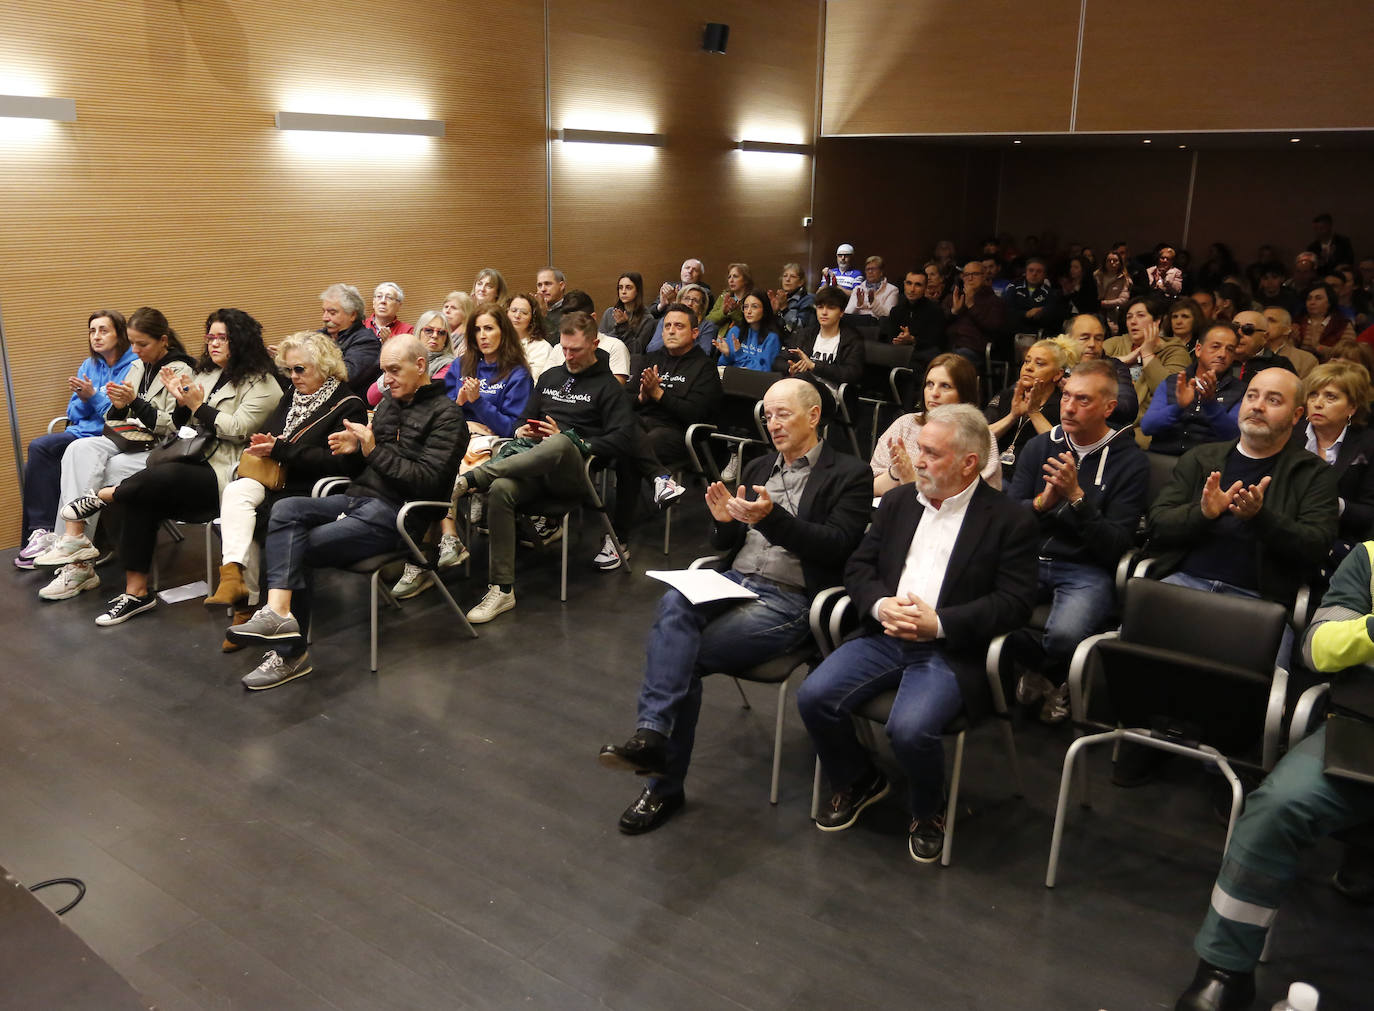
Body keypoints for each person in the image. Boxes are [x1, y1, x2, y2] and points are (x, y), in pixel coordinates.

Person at [597, 378, 871, 834]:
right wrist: (724, 523)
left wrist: (774, 518)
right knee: (674, 600)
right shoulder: (760, 465)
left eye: (783, 413)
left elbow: (838, 548)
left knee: (681, 658)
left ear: (814, 416)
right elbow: (726, 541)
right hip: (733, 580)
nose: (773, 423)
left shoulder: (849, 474)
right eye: (768, 415)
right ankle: (652, 739)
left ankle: (661, 775)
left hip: (792, 598)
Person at [798, 403, 1037, 862]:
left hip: (950, 651)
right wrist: (880, 602)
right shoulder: (897, 502)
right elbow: (860, 565)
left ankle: (927, 810)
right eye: (919, 450)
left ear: (970, 462)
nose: (918, 460)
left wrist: (942, 624)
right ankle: (861, 779)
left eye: (931, 453)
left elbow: (1015, 604)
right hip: (884, 635)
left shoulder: (1010, 520)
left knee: (909, 729)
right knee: (814, 697)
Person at [1173, 545, 1374, 1011]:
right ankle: (1224, 969)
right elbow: (1318, 649)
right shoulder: (1368, 559)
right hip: (1363, 734)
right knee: (1277, 806)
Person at [226, 334, 466, 688]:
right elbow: (364, 468)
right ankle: (277, 612)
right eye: (384, 371)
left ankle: (291, 656)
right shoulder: (388, 405)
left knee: (297, 547)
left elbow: (427, 484)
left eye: (395, 370)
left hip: (399, 515)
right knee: (287, 509)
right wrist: (354, 449)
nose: (388, 379)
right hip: (359, 499)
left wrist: (370, 449)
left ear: (421, 366)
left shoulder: (449, 417)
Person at [67, 308, 283, 627]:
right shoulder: (206, 375)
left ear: (242, 341)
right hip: (192, 459)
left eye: (222, 337)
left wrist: (196, 404)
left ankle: (105, 495)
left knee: (158, 478)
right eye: (210, 337)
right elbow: (183, 426)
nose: (213, 343)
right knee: (141, 498)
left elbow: (238, 429)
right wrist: (183, 405)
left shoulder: (265, 384)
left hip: (229, 472)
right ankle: (137, 592)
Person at [1143, 368, 1338, 684]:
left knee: (1250, 696)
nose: (1258, 406)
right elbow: (1158, 524)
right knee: (1136, 669)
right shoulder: (1201, 458)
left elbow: (1315, 546)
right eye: (1252, 396)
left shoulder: (1313, 474)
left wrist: (1261, 518)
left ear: (1296, 415)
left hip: (1259, 601)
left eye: (1273, 400)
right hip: (1184, 583)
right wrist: (1204, 513)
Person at [447, 311, 637, 624]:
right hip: (532, 465)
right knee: (501, 489)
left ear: (594, 343)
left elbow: (622, 440)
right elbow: (522, 419)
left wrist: (575, 441)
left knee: (562, 443)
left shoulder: (608, 388)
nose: (568, 356)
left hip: (574, 473)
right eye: (564, 349)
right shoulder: (550, 378)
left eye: (575, 350)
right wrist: (523, 429)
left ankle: (470, 480)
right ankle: (502, 589)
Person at [203, 331, 368, 644]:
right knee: (236, 494)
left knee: (257, 517)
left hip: (312, 490)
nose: (293, 377)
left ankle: (250, 609)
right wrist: (266, 445)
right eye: (289, 370)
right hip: (276, 480)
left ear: (325, 366)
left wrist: (280, 449)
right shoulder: (292, 395)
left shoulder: (349, 404)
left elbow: (341, 465)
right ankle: (234, 579)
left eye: (300, 370)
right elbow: (275, 435)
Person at [1006, 360, 1149, 722]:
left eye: (1082, 400)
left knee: (1066, 636)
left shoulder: (1130, 462)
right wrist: (1043, 504)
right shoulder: (1040, 447)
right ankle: (1048, 672)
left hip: (1086, 567)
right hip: (1031, 557)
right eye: (1067, 396)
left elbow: (1116, 544)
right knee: (981, 608)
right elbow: (1009, 520)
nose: (1068, 407)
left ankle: (1048, 672)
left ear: (1108, 408)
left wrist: (1078, 499)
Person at [30, 309, 193, 601]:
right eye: (132, 343)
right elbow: (113, 415)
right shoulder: (138, 367)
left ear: (163, 341)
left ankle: (79, 566)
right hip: (130, 436)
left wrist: (133, 404)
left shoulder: (181, 369)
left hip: (163, 445)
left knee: (106, 469)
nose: (135, 351)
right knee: (77, 448)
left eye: (141, 344)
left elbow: (178, 425)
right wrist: (117, 405)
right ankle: (72, 539)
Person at [600, 303, 720, 571]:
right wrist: (642, 397)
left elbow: (697, 414)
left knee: (628, 453)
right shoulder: (651, 357)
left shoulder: (705, 368)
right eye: (667, 326)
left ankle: (618, 539)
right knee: (627, 437)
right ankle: (660, 480)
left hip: (678, 434)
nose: (671, 331)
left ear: (695, 332)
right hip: (640, 426)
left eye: (679, 326)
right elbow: (625, 401)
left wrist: (660, 396)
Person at [17, 309, 138, 569]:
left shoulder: (133, 366)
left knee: (42, 454)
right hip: (81, 432)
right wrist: (86, 399)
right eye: (92, 331)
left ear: (120, 334)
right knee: (38, 453)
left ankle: (48, 532)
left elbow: (120, 415)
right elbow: (72, 412)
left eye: (103, 330)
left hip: (110, 438)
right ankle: (41, 533)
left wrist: (93, 396)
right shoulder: (89, 365)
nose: (96, 337)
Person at [872, 353, 1001, 496]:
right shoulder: (905, 424)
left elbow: (979, 500)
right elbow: (870, 487)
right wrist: (896, 472)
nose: (934, 393)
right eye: (930, 384)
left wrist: (910, 479)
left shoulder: (980, 437)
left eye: (945, 386)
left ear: (964, 393)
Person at [1302, 361, 1374, 553]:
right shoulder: (1289, 435)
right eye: (1313, 395)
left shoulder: (1368, 445)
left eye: (1330, 397)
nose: (1318, 403)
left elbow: (1369, 512)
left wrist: (1335, 505)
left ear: (1352, 407)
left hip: (1340, 543)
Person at [1140, 324, 1243, 455]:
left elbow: (1235, 437)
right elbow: (1147, 427)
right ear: (1198, 349)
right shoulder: (1174, 381)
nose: (1223, 354)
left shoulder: (1240, 390)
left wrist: (1211, 405)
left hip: (1207, 465)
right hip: (1161, 456)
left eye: (1230, 349)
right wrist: (1178, 407)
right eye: (1215, 347)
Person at [986, 337, 1079, 482]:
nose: (1028, 367)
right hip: (992, 472)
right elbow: (980, 439)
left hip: (1031, 480)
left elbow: (1062, 449)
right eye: (1027, 361)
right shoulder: (1007, 396)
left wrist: (1034, 412)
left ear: (1058, 374)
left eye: (1040, 363)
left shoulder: (1063, 405)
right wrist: (1012, 416)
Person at [1103, 295, 1191, 438]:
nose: (1133, 321)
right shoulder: (1115, 343)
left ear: (1157, 321)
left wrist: (1147, 353)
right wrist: (1123, 360)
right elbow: (1091, 369)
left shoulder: (1175, 351)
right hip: (1106, 418)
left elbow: (1171, 391)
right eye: (1129, 317)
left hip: (1143, 429)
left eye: (1140, 315)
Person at [776, 285, 865, 389]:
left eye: (831, 308)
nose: (824, 312)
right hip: (800, 389)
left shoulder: (851, 339)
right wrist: (791, 368)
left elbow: (852, 374)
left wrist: (814, 366)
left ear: (841, 312)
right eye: (820, 307)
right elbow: (778, 361)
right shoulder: (804, 334)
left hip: (830, 394)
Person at [366, 309, 454, 407]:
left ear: (446, 339)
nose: (434, 335)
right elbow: (372, 398)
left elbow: (427, 395)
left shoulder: (450, 364)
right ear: (418, 332)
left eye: (441, 333)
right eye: (429, 330)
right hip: (385, 412)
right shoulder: (402, 355)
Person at [1064, 313, 1138, 426]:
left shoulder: (1113, 367)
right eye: (1084, 338)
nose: (1092, 344)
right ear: (1067, 339)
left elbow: (1127, 408)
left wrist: (1084, 393)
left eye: (1098, 339)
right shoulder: (1056, 364)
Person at [879, 270, 947, 378]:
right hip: (899, 353)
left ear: (925, 288)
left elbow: (936, 342)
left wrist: (913, 340)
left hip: (923, 355)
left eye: (918, 285)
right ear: (904, 285)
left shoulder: (935, 311)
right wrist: (898, 340)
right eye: (909, 283)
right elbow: (890, 337)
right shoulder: (896, 311)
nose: (912, 289)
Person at [319, 282, 380, 395]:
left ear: (352, 315)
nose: (325, 318)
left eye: (332, 313)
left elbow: (346, 376)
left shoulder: (366, 341)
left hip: (347, 405)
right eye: (324, 312)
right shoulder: (320, 335)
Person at [945, 260, 1007, 367]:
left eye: (975, 274)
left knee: (955, 362)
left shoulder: (994, 301)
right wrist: (954, 311)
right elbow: (938, 323)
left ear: (984, 276)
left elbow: (994, 328)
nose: (970, 278)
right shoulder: (953, 297)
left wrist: (971, 306)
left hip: (974, 349)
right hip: (948, 346)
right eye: (966, 275)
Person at [561, 290, 630, 382]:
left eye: (577, 321)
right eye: (566, 321)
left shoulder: (615, 347)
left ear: (592, 318)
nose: (568, 356)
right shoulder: (558, 347)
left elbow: (614, 390)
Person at [714, 289, 785, 373]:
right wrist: (727, 354)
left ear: (764, 310)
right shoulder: (735, 331)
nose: (749, 311)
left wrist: (740, 355)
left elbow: (765, 371)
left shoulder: (772, 338)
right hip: (733, 380)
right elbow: (721, 366)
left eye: (754, 306)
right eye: (746, 307)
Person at [645, 283, 716, 356]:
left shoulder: (707, 326)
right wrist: (672, 340)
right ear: (679, 301)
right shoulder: (666, 320)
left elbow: (704, 353)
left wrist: (680, 343)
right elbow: (651, 349)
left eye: (695, 301)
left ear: (702, 307)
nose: (689, 303)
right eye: (686, 298)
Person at [1003, 257, 1063, 337]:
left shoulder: (1050, 293)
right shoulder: (1013, 287)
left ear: (1045, 275)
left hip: (1037, 333)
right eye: (1031, 270)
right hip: (1013, 332)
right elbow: (1006, 311)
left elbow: (1052, 315)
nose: (1034, 274)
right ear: (1025, 272)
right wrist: (1026, 314)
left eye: (1039, 271)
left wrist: (1042, 313)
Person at [1296, 281, 1356, 359]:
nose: (1312, 302)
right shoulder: (1298, 322)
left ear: (1329, 302)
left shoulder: (1342, 325)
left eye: (1318, 298)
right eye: (1309, 299)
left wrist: (1319, 348)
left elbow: (1348, 352)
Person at [599, 272, 655, 353]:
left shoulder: (647, 319)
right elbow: (600, 343)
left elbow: (636, 350)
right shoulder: (610, 313)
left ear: (637, 291)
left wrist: (624, 327)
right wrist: (618, 327)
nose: (623, 291)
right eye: (620, 288)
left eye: (628, 288)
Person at [506, 292, 557, 380]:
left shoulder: (542, 348)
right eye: (513, 310)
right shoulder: (497, 341)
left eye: (524, 313)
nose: (517, 316)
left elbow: (534, 381)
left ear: (533, 318)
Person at [1262, 306, 1318, 379]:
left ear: (1287, 329)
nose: (1264, 324)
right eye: (1262, 321)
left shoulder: (1306, 359)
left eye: (1272, 321)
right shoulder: (1248, 353)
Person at [768, 262, 816, 336]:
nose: (787, 279)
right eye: (785, 276)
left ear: (801, 282)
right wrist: (773, 312)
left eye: (792, 276)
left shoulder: (808, 299)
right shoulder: (780, 298)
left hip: (796, 344)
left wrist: (784, 309)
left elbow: (800, 328)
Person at [704, 262, 753, 330]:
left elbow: (750, 325)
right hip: (719, 338)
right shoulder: (724, 296)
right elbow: (708, 320)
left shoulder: (752, 298)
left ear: (746, 280)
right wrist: (723, 312)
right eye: (729, 277)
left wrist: (735, 311)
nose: (731, 280)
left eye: (735, 276)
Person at [441, 291, 475, 358]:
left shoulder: (467, 343)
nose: (447, 311)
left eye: (453, 308)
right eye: (446, 306)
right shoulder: (438, 334)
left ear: (466, 314)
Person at [535, 267, 567, 335]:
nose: (543, 289)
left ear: (561, 286)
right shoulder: (534, 309)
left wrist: (543, 315)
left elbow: (554, 341)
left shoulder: (571, 310)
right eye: (539, 285)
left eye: (548, 284)